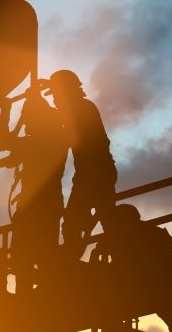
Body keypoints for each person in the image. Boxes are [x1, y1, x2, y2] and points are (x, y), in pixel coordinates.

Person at [40, 70, 117, 259]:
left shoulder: (80, 109)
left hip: (93, 174)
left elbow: (61, 124)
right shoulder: (82, 107)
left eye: (56, 95)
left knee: (75, 222)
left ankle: (72, 263)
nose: (55, 100)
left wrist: (39, 104)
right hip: (93, 172)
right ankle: (118, 253)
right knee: (104, 218)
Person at [92, 204, 172, 332]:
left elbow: (136, 268)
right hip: (162, 287)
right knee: (170, 316)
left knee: (110, 315)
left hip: (155, 288)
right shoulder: (150, 232)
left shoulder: (134, 236)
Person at [10, 89, 68, 293]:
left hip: (38, 203)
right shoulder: (58, 135)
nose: (26, 125)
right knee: (37, 251)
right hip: (44, 202)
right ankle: (40, 289)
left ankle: (31, 293)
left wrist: (23, 112)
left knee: (26, 252)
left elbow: (11, 149)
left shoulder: (40, 139)